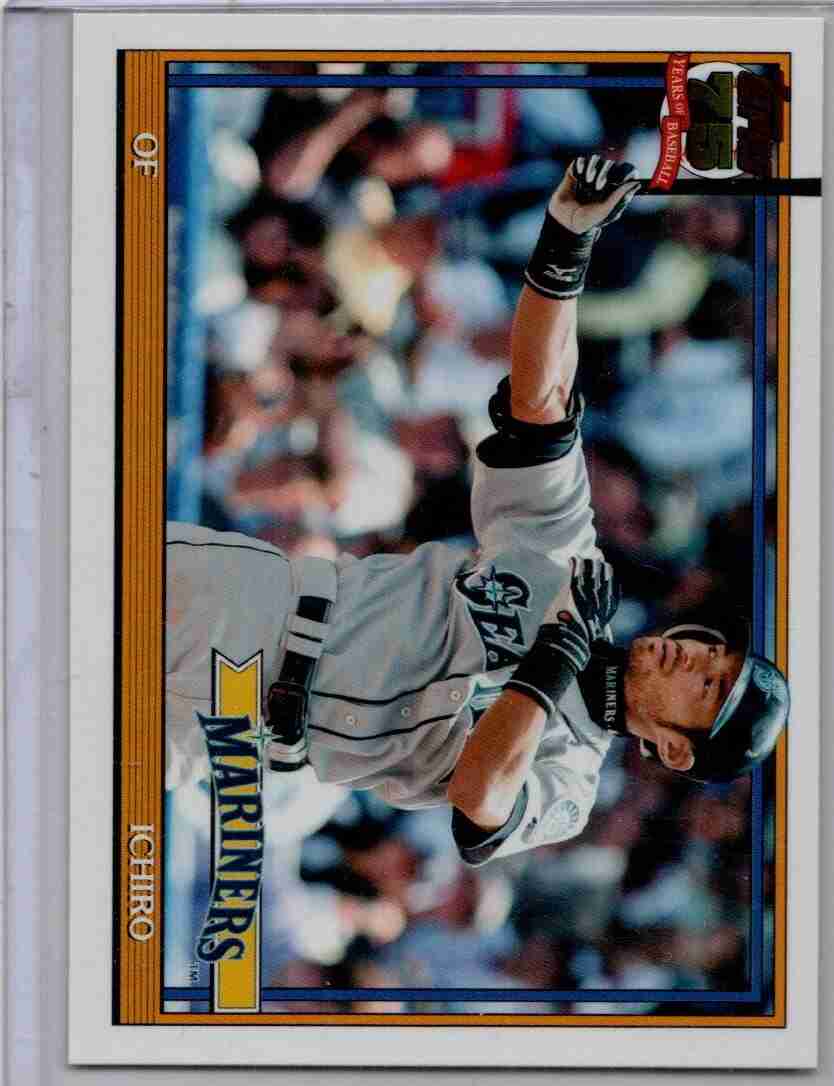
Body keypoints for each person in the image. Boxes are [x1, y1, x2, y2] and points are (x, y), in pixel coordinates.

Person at [166, 153, 789, 866]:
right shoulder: (569, 566)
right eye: (714, 653)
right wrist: (565, 244)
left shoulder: (570, 785)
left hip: (237, 730)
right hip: (258, 605)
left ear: (675, 749)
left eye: (708, 686)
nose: (696, 658)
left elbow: (479, 795)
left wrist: (557, 657)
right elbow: (541, 406)